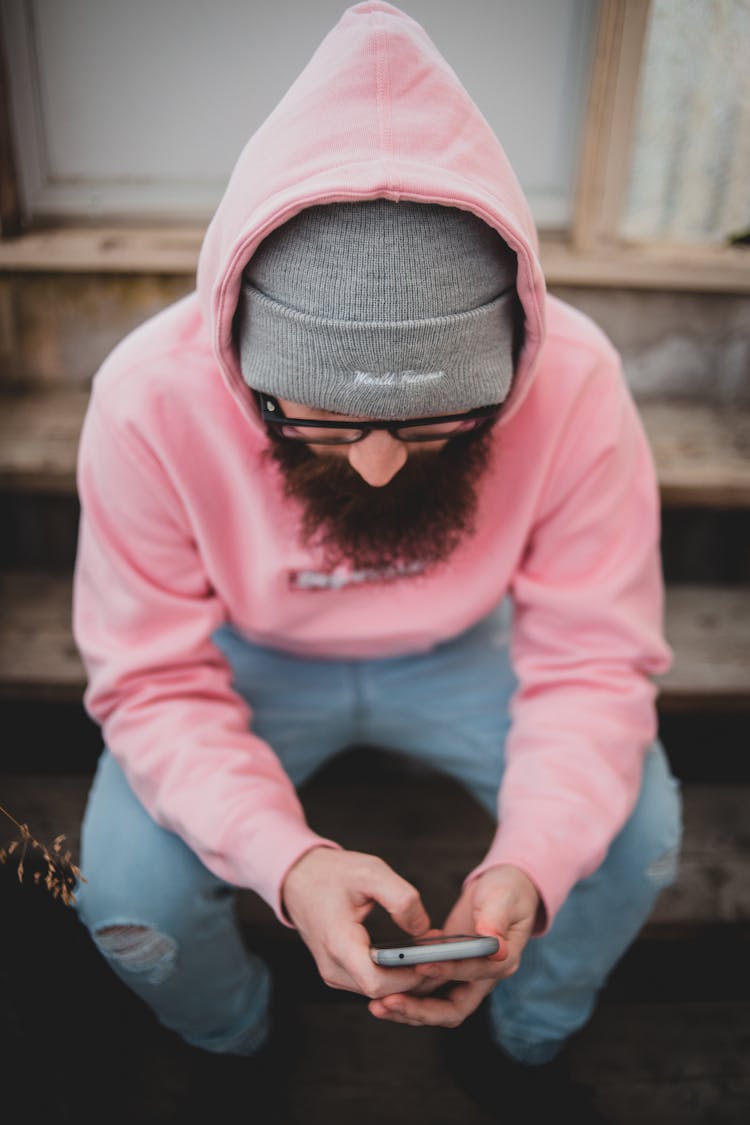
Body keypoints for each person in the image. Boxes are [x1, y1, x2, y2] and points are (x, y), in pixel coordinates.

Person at [72, 2, 682, 1119]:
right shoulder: (146, 397)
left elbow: (594, 656)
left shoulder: (579, 380)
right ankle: (240, 1049)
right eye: (318, 421)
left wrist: (532, 869)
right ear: (239, 358)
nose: (385, 467)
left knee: (635, 841)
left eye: (447, 421)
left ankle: (525, 1044)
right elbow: (149, 676)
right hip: (241, 661)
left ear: (516, 356)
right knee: (128, 900)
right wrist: (288, 864)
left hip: (467, 651)